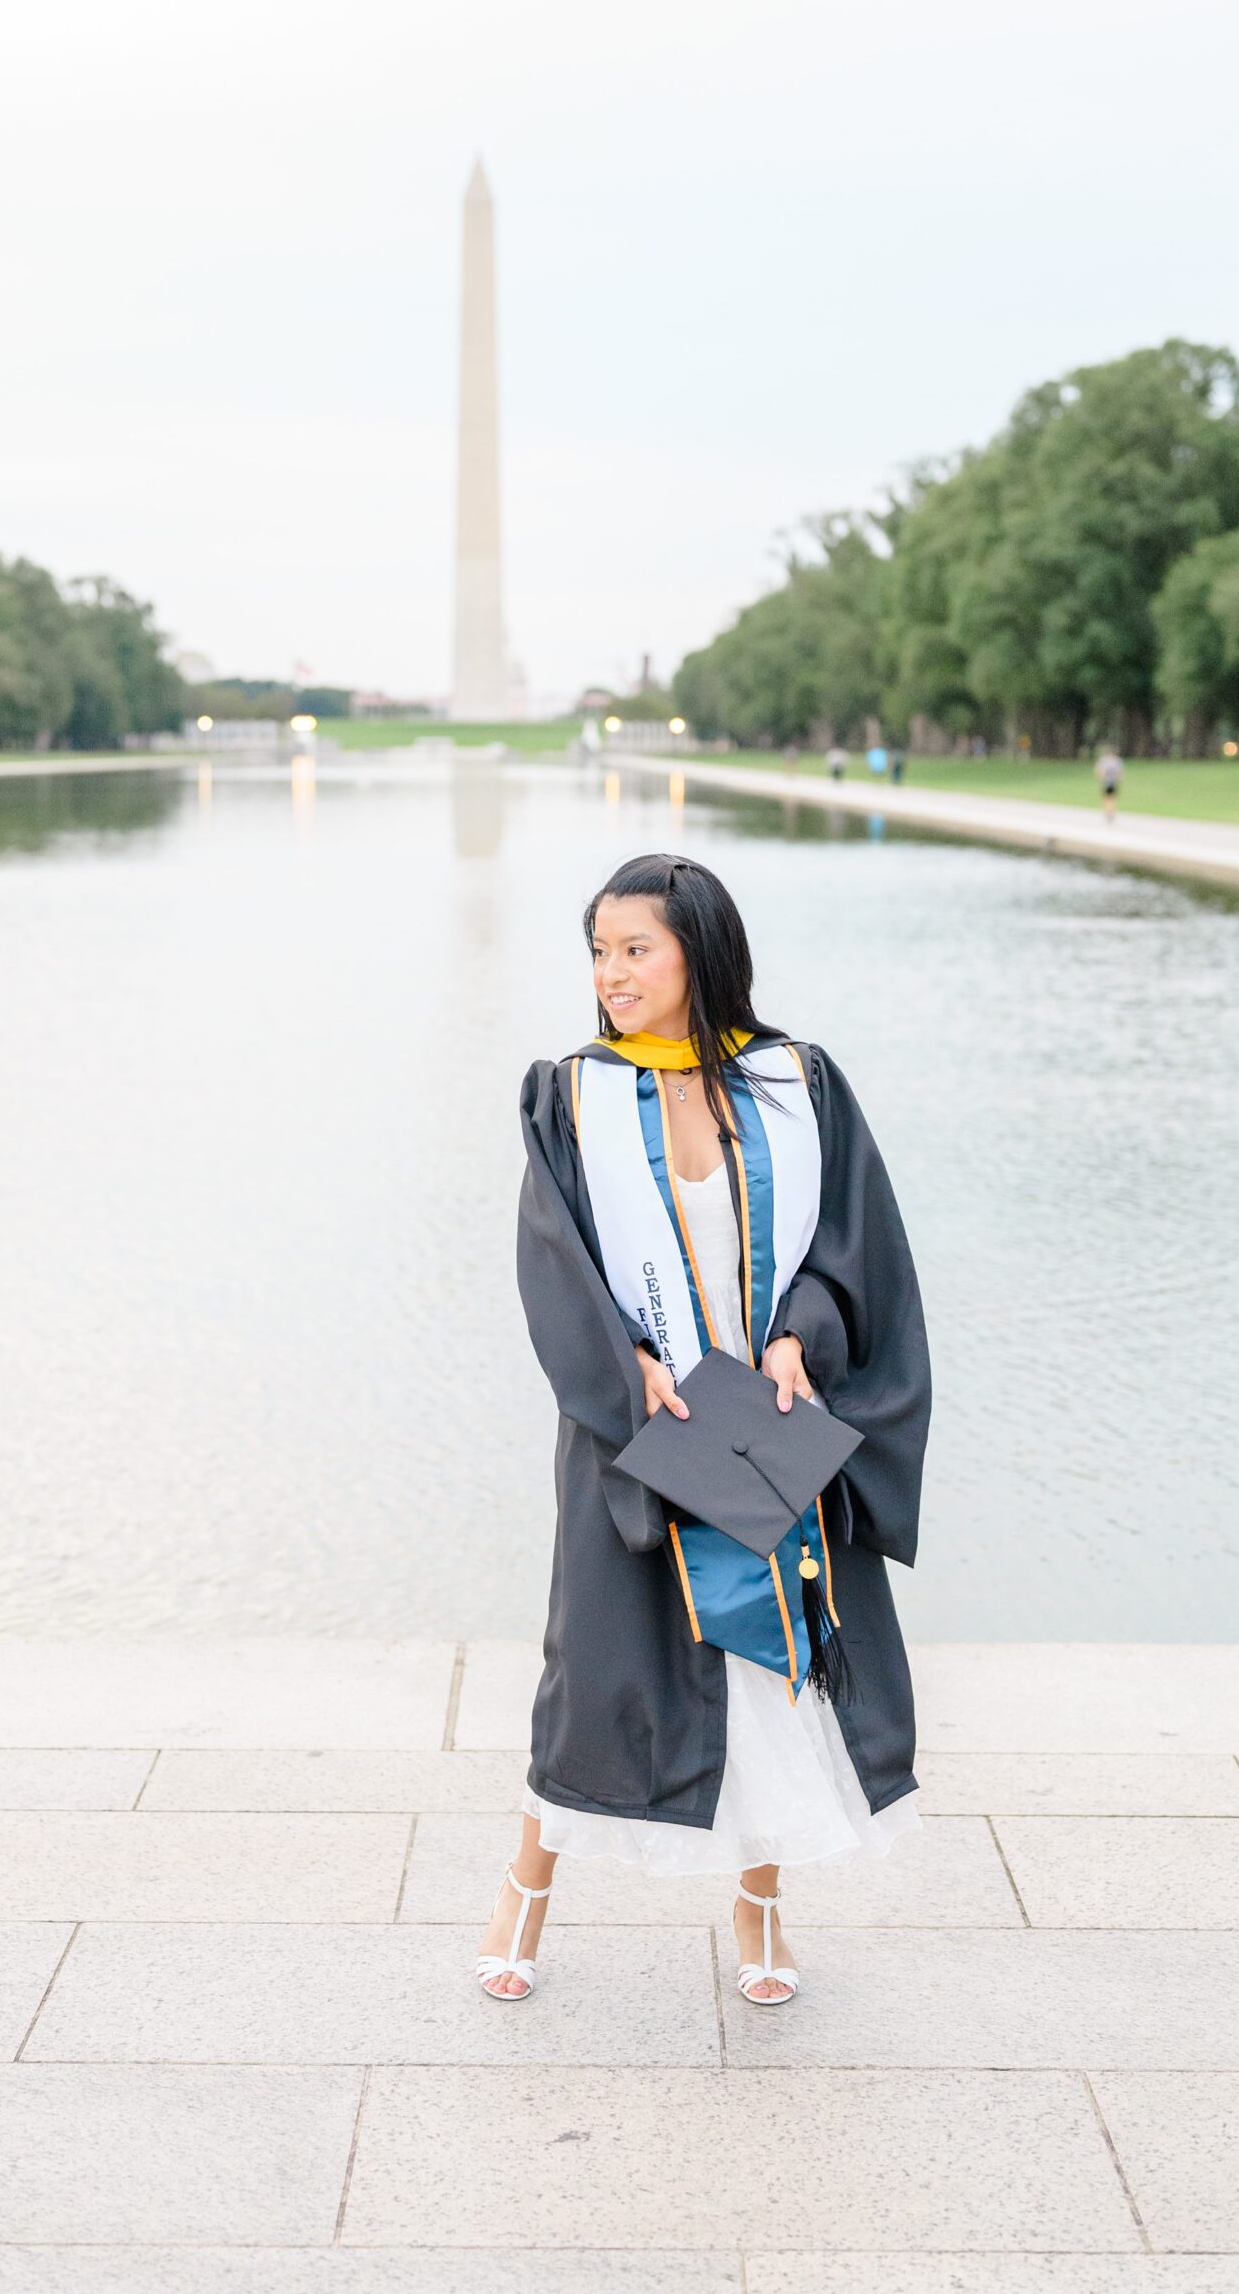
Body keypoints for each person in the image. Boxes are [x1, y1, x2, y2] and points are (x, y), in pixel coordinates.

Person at [477, 852, 932, 2008]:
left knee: (770, 1668)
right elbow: (552, 1263)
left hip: (758, 1420)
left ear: (699, 951)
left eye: (636, 948)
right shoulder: (569, 1094)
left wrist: (800, 1338)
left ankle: (760, 1905)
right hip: (637, 1424)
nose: (611, 972)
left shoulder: (795, 1084)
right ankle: (523, 1889)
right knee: (593, 1672)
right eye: (598, 950)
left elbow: (851, 1248)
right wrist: (625, 1367)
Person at [1095, 747, 1122, 823]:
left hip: (1108, 782)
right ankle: (1110, 811)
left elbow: (1098, 770)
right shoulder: (1117, 761)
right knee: (1110, 798)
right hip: (1110, 782)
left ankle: (1109, 811)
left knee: (1108, 798)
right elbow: (1119, 772)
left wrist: (1101, 778)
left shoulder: (1105, 761)